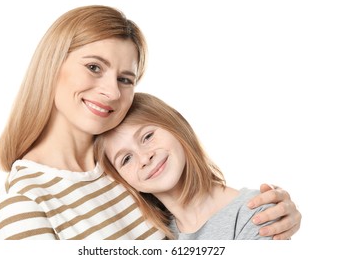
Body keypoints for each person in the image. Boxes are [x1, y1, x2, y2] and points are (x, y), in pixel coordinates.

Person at [0, 5, 301, 240]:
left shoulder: (125, 172)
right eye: (94, 67)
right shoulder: (24, 204)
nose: (112, 91)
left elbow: (205, 220)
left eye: (125, 79)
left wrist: (268, 213)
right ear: (51, 64)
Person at [95, 92, 289, 239]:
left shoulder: (257, 212)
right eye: (126, 159)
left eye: (148, 136)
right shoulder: (151, 236)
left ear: (176, 124)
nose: (145, 158)